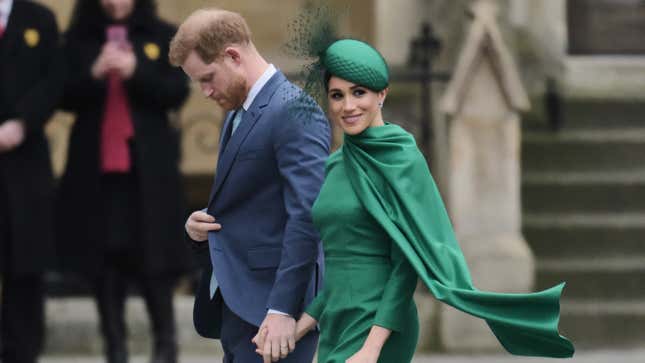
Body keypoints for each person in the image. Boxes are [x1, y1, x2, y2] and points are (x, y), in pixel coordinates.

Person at [255, 39, 575, 363]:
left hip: (381, 325)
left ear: (382, 95)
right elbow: (340, 269)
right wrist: (299, 327)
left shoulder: (402, 159)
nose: (347, 106)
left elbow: (405, 266)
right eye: (337, 95)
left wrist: (372, 348)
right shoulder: (335, 165)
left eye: (359, 92)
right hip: (338, 322)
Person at [168, 8, 330, 363]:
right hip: (239, 308)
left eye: (208, 78)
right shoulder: (237, 111)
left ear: (232, 56)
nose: (205, 92)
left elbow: (308, 217)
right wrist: (201, 227)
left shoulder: (293, 111)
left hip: (273, 315)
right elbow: (252, 203)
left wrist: (282, 310)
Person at [55, 1, 190, 362]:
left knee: (154, 258)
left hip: (148, 171)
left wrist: (136, 71)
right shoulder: (78, 39)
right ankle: (114, 345)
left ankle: (165, 344)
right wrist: (94, 73)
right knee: (104, 258)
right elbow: (61, 94)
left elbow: (177, 90)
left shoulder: (162, 35)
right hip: (96, 170)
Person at [0, 0, 64, 362]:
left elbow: (55, 79)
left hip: (25, 159)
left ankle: (22, 350)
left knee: (25, 258)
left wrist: (21, 122)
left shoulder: (40, 19)